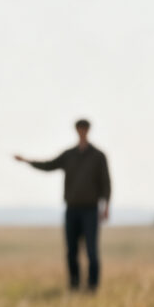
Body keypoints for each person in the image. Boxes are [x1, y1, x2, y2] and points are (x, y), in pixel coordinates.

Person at [14, 119, 111, 292]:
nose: (82, 131)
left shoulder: (98, 156)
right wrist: (27, 161)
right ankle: (74, 284)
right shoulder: (69, 155)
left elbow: (106, 183)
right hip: (72, 209)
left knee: (91, 250)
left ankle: (92, 286)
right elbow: (48, 165)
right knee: (71, 250)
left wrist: (106, 207)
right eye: (79, 128)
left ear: (88, 130)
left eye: (84, 129)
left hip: (90, 209)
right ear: (76, 130)